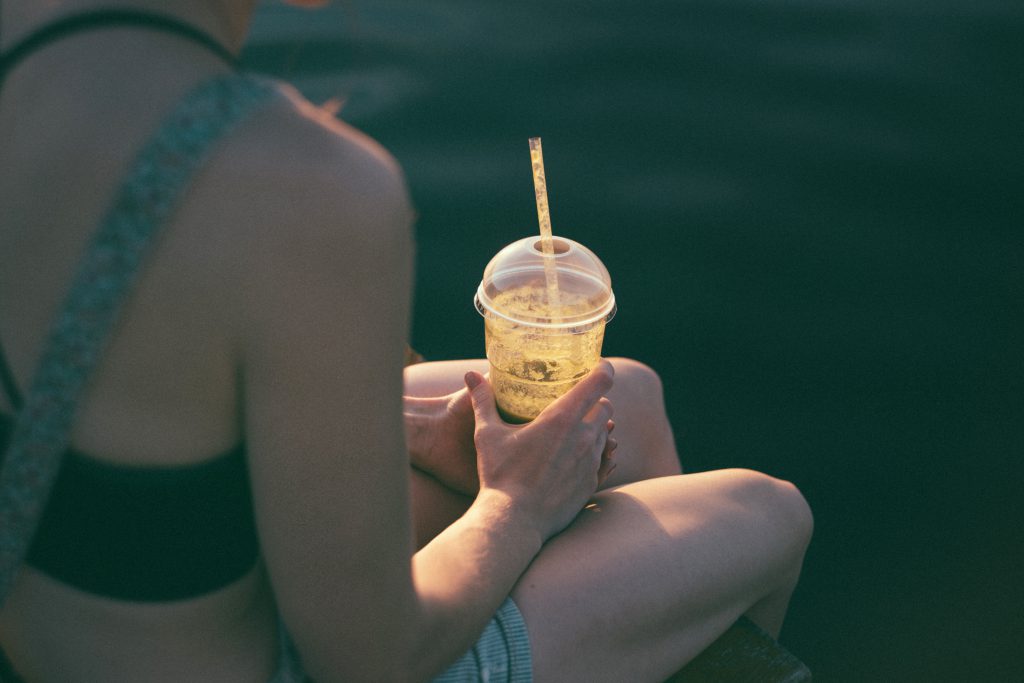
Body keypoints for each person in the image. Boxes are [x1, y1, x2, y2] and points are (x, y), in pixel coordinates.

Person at [0, 0, 813, 680]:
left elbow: (142, 386)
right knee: (768, 511)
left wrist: (402, 430)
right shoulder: (300, 182)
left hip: (73, 610)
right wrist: (515, 504)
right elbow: (372, 657)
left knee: (623, 397)